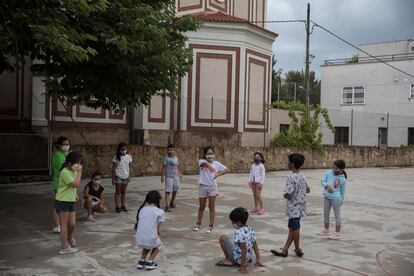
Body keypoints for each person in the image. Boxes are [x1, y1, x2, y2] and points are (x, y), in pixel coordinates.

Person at [271, 153, 310, 258]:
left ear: (292, 164)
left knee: (295, 229)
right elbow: (308, 189)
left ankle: (290, 250)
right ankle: (293, 249)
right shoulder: (302, 175)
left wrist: (285, 195)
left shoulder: (291, 177)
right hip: (301, 206)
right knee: (292, 229)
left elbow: (288, 193)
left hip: (294, 207)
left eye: (289, 162)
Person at [216, 207, 264, 274]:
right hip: (248, 258)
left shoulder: (239, 232)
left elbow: (243, 249)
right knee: (233, 239)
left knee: (222, 238)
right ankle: (243, 261)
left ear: (238, 222)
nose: (232, 223)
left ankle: (229, 260)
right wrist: (258, 258)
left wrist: (242, 267)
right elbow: (254, 244)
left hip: (239, 259)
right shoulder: (250, 229)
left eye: (233, 222)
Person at [193, 146, 229, 234]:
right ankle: (198, 224)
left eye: (211, 153)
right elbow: (203, 164)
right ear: (205, 155)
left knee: (211, 207)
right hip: (202, 187)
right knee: (201, 207)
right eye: (208, 154)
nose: (210, 156)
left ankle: (211, 226)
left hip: (212, 187)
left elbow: (227, 169)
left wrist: (218, 174)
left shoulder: (216, 163)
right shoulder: (202, 161)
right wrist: (209, 166)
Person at [54, 151, 82, 254]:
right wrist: (79, 172)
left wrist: (75, 194)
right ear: (69, 163)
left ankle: (69, 237)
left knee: (72, 223)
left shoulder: (73, 170)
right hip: (63, 201)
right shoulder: (65, 172)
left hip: (70, 200)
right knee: (64, 224)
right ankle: (64, 247)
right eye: (77, 163)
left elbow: (70, 187)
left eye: (80, 163)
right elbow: (75, 184)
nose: (78, 165)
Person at [135, 191, 165, 271]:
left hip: (139, 239)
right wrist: (158, 235)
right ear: (158, 200)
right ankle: (150, 261)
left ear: (147, 200)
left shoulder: (142, 209)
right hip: (149, 239)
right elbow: (157, 229)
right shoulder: (160, 211)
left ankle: (141, 261)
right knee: (158, 244)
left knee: (148, 242)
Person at [318, 160, 347, 240]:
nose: (334, 170)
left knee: (337, 215)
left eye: (337, 168)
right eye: (333, 167)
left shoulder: (343, 179)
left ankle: (337, 233)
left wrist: (341, 201)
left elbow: (343, 192)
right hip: (327, 197)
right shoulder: (328, 173)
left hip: (336, 199)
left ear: (342, 169)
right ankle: (326, 230)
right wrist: (326, 186)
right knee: (325, 213)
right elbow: (322, 181)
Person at [51, 136, 70, 233]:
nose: (66, 146)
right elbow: (63, 167)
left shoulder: (67, 154)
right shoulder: (57, 155)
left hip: (66, 182)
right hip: (59, 182)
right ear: (58, 145)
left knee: (64, 204)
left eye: (67, 144)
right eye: (64, 144)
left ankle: (62, 223)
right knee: (57, 205)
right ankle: (56, 225)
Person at [112, 143, 133, 213]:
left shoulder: (129, 157)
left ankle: (123, 205)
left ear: (127, 149)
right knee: (118, 192)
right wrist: (113, 179)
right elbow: (113, 168)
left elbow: (130, 167)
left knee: (123, 192)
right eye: (122, 149)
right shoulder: (116, 157)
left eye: (125, 149)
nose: (124, 150)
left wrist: (129, 176)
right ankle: (117, 206)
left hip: (126, 176)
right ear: (119, 150)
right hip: (118, 176)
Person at [160, 144, 181, 212]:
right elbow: (163, 167)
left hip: (175, 176)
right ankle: (167, 206)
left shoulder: (176, 158)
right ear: (167, 150)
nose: (170, 151)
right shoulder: (166, 158)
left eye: (171, 150)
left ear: (174, 150)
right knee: (168, 191)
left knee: (176, 189)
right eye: (169, 150)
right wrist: (162, 176)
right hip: (168, 176)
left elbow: (177, 166)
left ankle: (172, 202)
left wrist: (179, 174)